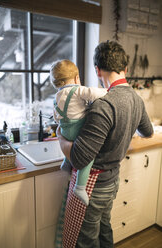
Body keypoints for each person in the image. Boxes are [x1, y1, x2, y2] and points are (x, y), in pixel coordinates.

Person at [56, 41, 153, 248]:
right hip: (113, 180)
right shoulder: (136, 99)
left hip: (94, 184)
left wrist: (60, 138)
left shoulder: (103, 104)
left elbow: (80, 157)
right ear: (125, 69)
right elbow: (147, 131)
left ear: (97, 70)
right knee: (105, 229)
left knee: (87, 240)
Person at [50, 59, 107, 206]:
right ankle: (80, 187)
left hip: (64, 129)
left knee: (70, 149)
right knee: (87, 157)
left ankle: (66, 162)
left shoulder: (57, 96)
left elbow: (56, 117)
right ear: (76, 78)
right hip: (77, 129)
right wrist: (109, 91)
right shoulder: (78, 90)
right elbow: (94, 93)